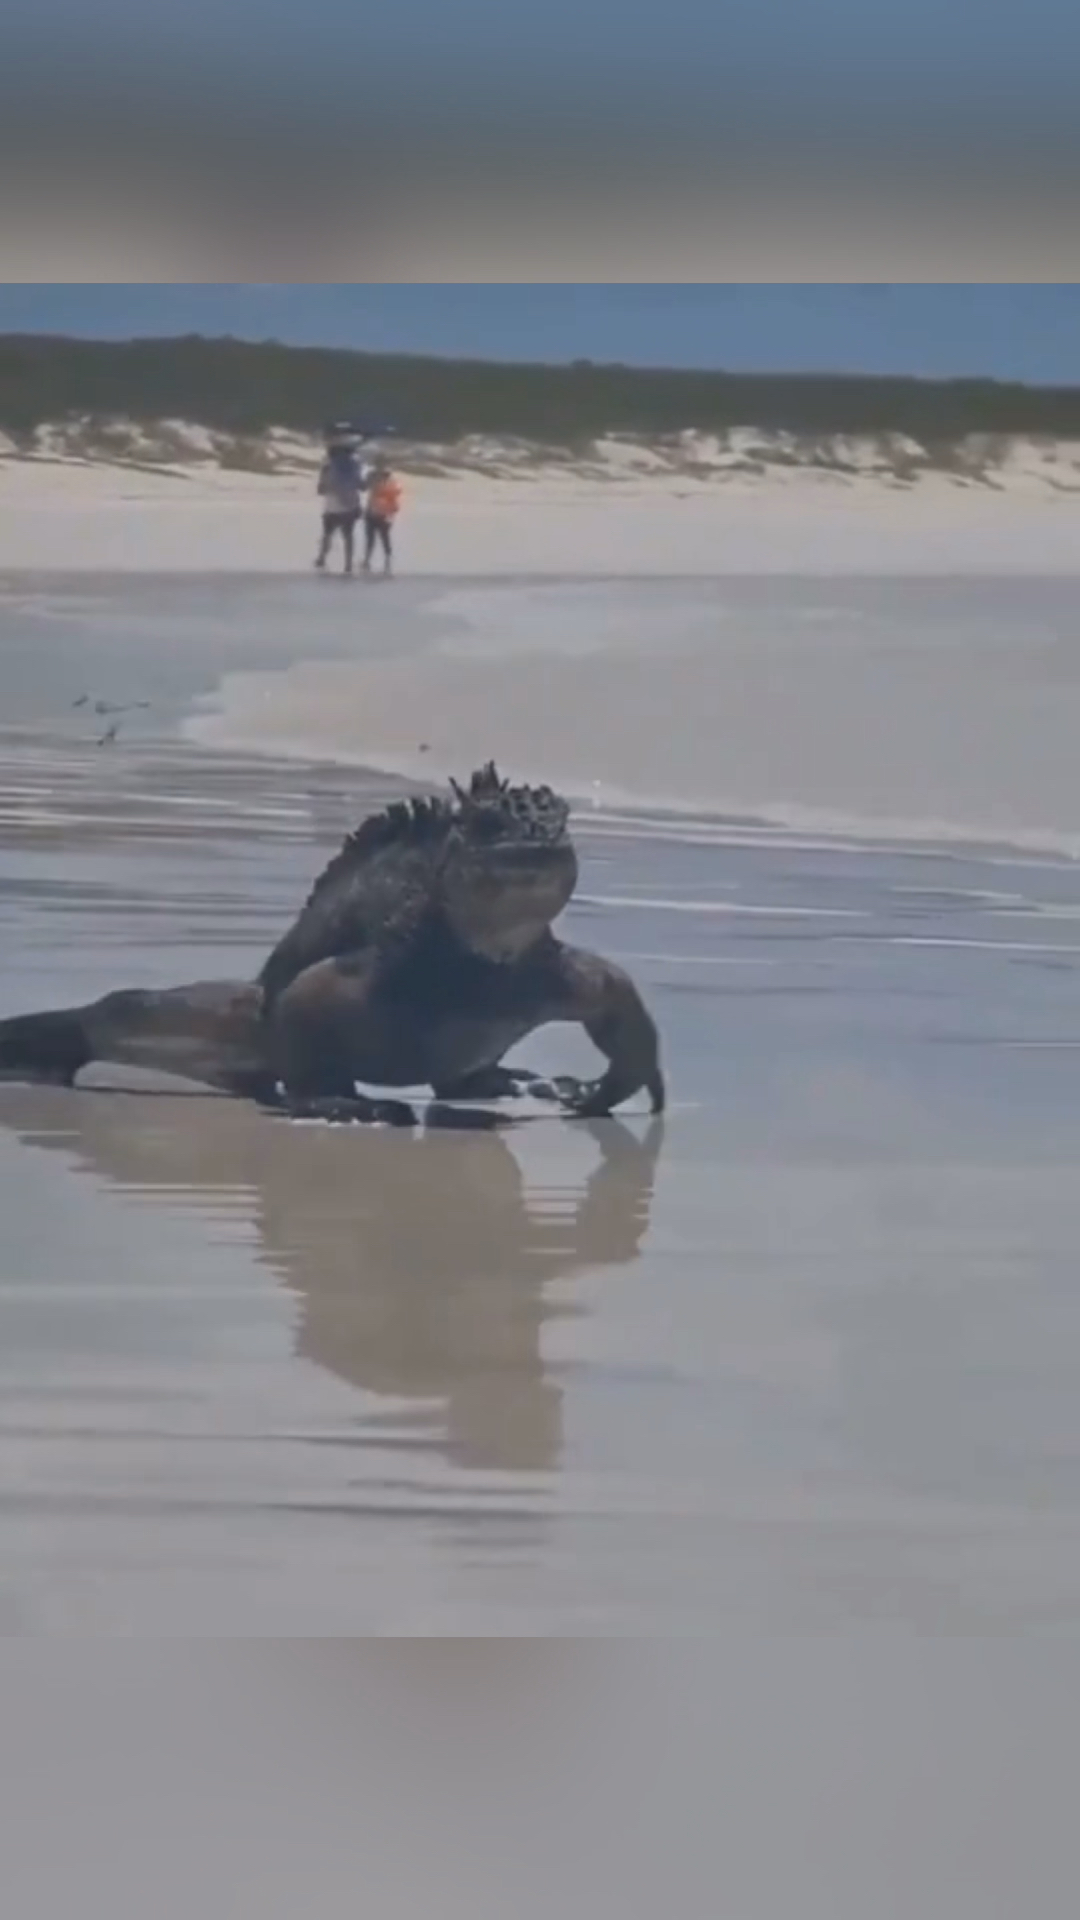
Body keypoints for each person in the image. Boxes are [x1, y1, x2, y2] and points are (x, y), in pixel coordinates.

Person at [314, 430, 365, 574]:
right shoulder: (354, 465)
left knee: (327, 534)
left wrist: (328, 487)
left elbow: (321, 489)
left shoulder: (327, 467)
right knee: (348, 535)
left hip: (332, 507)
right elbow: (361, 485)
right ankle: (348, 564)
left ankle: (321, 558)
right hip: (350, 505)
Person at [362, 461, 403, 575]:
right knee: (382, 537)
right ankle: (384, 559)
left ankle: (371, 559)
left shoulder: (381, 480)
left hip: (377, 512)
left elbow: (365, 487)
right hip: (380, 512)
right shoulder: (388, 480)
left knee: (375, 537)